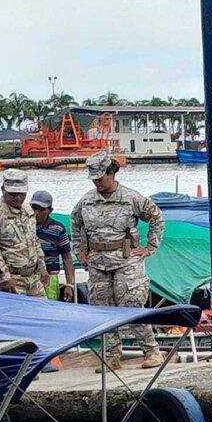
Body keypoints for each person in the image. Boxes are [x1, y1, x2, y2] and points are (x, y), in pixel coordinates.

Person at [71, 152, 165, 372]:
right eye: (94, 178)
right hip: (97, 262)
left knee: (131, 305)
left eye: (101, 177)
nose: (97, 182)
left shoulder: (131, 198)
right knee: (103, 309)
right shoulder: (86, 201)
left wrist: (150, 247)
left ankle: (151, 351)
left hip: (126, 260)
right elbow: (75, 225)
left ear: (111, 173)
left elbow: (157, 218)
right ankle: (112, 357)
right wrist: (80, 253)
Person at [0, 169, 47, 297]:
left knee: (43, 308)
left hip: (33, 278)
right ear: (3, 190)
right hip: (10, 279)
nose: (18, 197)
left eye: (21, 193)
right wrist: (4, 278)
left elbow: (34, 240)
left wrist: (42, 266)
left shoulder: (27, 210)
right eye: (13, 194)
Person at [30, 190, 75, 302]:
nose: (36, 213)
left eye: (41, 210)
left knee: (50, 308)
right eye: (34, 208)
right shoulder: (24, 226)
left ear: (50, 210)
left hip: (50, 277)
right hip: (29, 277)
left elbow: (67, 258)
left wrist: (70, 284)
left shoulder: (58, 228)